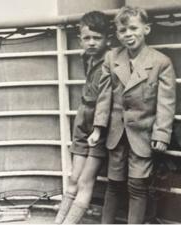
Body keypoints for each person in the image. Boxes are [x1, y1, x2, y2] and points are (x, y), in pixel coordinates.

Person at [88, 5, 176, 224]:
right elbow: (104, 96)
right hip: (116, 134)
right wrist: (98, 129)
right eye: (122, 30)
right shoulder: (111, 58)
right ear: (117, 34)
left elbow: (166, 103)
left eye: (133, 28)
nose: (128, 35)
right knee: (114, 184)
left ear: (146, 29)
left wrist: (161, 135)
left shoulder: (161, 62)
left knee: (137, 186)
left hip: (144, 135)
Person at [54, 11, 111, 224]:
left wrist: (99, 128)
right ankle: (58, 222)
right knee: (74, 179)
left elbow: (107, 99)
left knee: (86, 181)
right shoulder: (86, 56)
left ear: (108, 39)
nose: (92, 42)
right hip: (83, 118)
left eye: (97, 38)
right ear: (80, 39)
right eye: (87, 38)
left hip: (101, 123)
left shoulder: (112, 60)